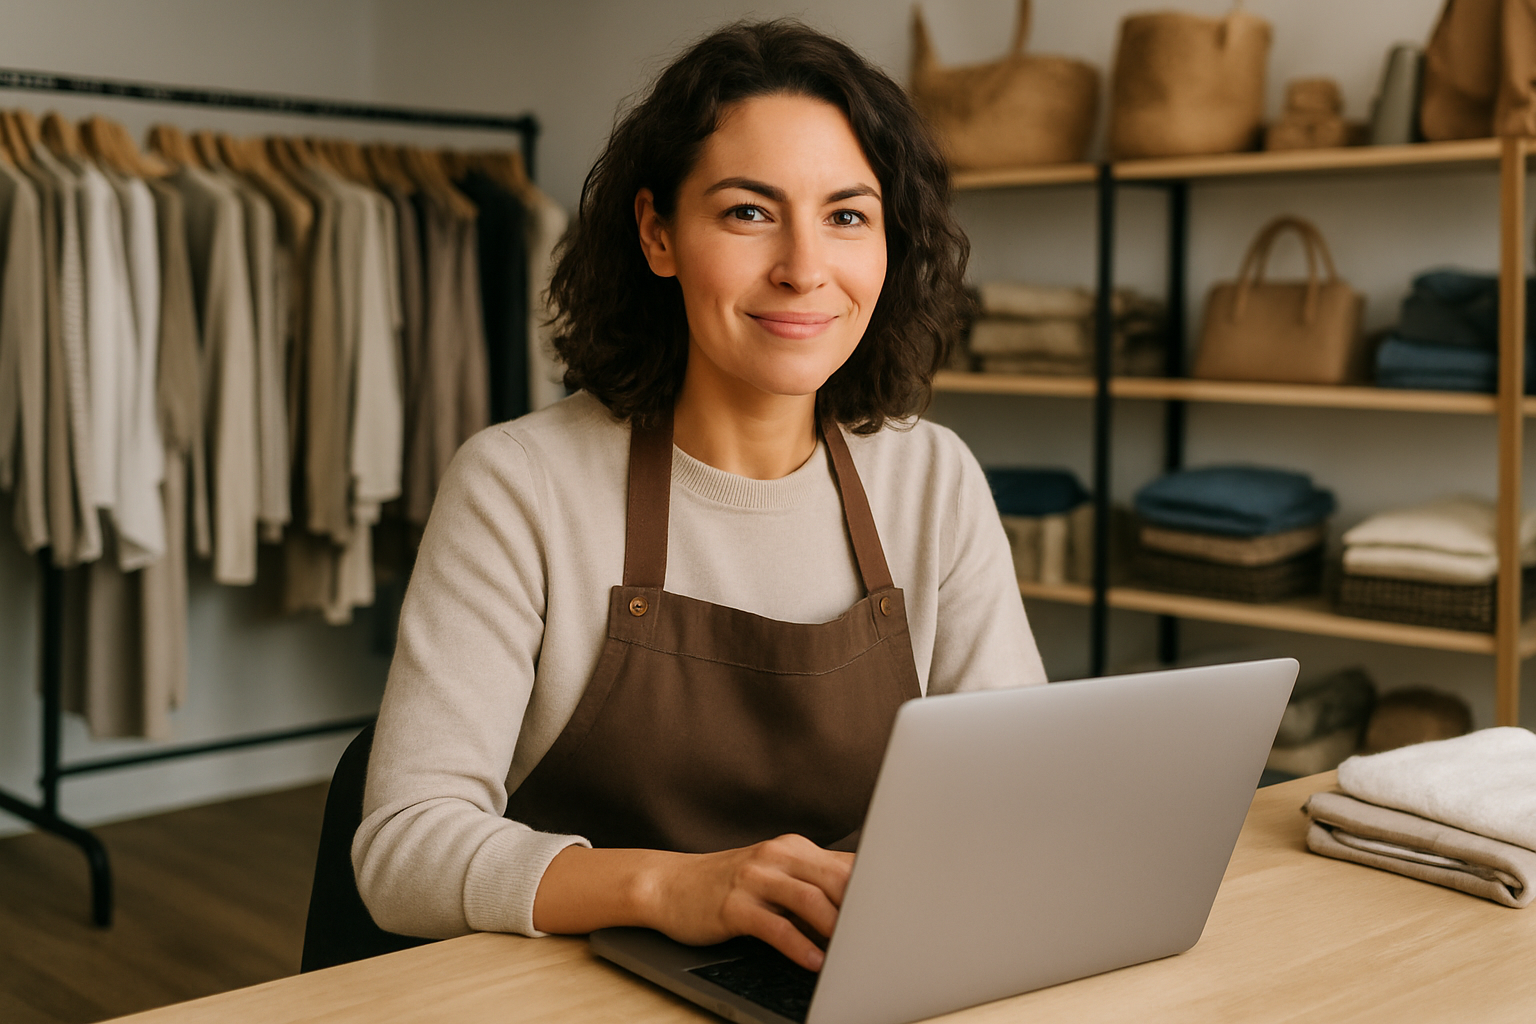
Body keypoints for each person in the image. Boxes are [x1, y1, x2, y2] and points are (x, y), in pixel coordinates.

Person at [354, 19, 1047, 973]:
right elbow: (404, 850)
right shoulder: (519, 486)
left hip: (847, 979)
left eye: (847, 216)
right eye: (749, 213)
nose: (805, 267)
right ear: (657, 233)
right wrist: (673, 886)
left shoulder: (933, 481)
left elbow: (1012, 793)